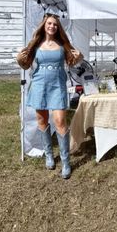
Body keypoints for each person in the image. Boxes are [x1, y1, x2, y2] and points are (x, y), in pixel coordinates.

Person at [19, 13, 82, 179]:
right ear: (44, 25)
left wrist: (79, 57)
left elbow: (72, 61)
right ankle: (48, 155)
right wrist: (19, 59)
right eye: (49, 23)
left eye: (55, 24)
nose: (52, 26)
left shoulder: (63, 44)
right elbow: (25, 65)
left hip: (57, 86)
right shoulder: (35, 44)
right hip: (39, 86)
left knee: (60, 121)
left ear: (58, 27)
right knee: (41, 120)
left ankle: (66, 161)